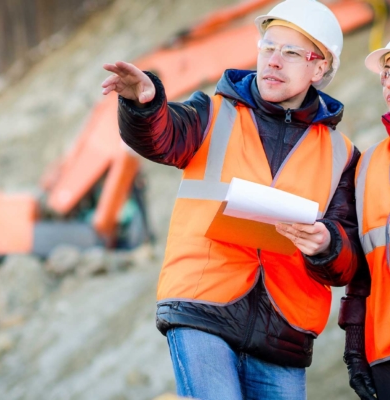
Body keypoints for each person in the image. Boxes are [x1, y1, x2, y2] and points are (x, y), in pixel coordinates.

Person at [102, 0, 363, 398]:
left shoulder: (342, 155)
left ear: (320, 67)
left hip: (283, 333)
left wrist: (327, 245)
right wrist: (146, 104)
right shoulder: (213, 114)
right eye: (268, 47)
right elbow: (161, 136)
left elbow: (346, 263)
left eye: (291, 52)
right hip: (202, 309)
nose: (274, 61)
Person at [339, 41, 390, 400]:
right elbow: (361, 275)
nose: (387, 82)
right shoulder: (369, 165)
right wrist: (355, 345)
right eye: (386, 73)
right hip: (385, 354)